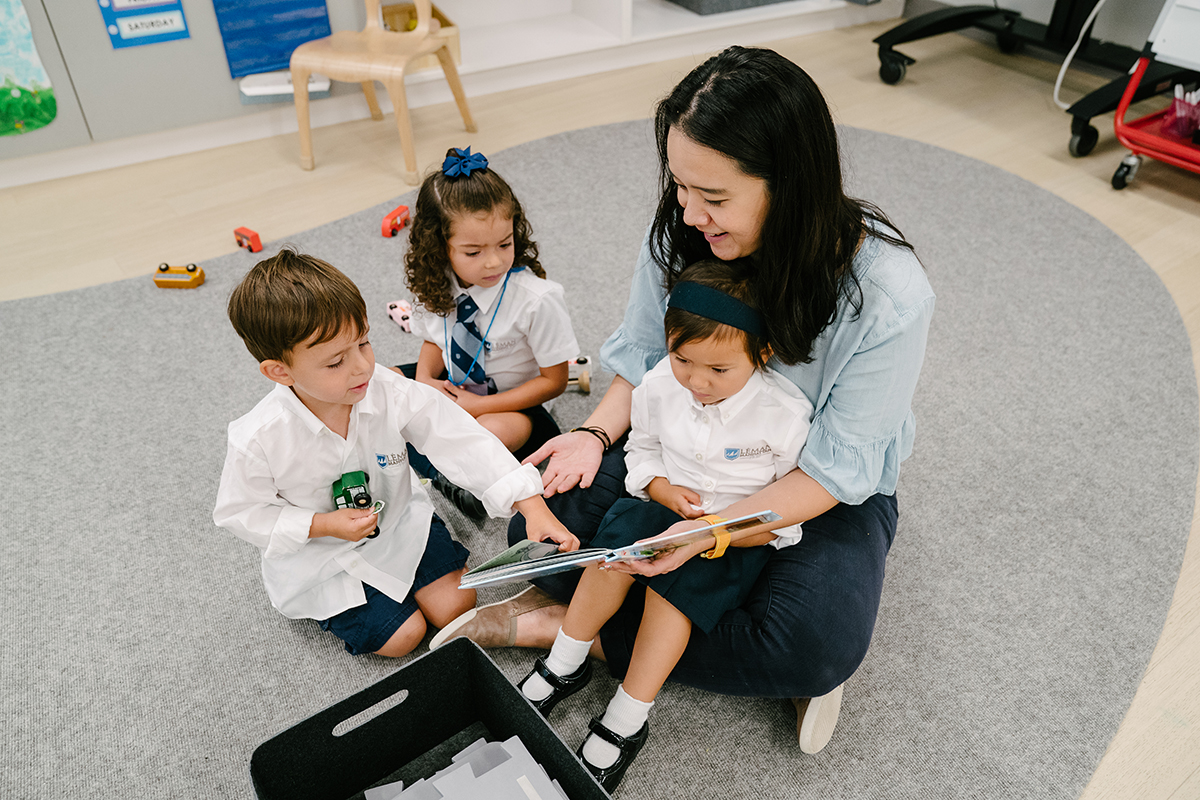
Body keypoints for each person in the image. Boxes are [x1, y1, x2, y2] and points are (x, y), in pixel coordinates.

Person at [433, 45, 935, 758]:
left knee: (813, 647)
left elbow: (833, 474)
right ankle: (624, 618)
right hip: (680, 447)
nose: (691, 212)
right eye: (680, 186)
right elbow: (645, 360)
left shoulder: (888, 295)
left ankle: (566, 631)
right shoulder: (685, 229)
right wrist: (596, 437)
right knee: (543, 538)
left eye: (717, 197)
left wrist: (707, 532)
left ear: (790, 186)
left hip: (806, 485)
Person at [525, 259, 814, 790]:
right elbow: (643, 448)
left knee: (672, 598)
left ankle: (628, 716)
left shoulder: (785, 415)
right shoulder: (660, 384)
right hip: (661, 508)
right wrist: (661, 490)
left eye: (719, 371)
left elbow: (785, 510)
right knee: (608, 559)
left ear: (762, 353)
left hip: (734, 534)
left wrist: (720, 532)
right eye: (683, 359)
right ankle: (565, 659)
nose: (697, 382)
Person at [213, 248, 577, 659]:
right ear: (279, 371)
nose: (362, 368)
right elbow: (240, 512)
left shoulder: (385, 387)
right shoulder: (258, 437)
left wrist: (531, 505)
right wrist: (320, 524)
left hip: (400, 523)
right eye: (336, 362)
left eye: (364, 343)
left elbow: (456, 436)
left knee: (456, 606)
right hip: (322, 555)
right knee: (402, 637)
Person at [395, 147, 580, 525]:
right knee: (383, 384)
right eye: (473, 251)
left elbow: (554, 381)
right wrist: (425, 380)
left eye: (504, 244)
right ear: (439, 249)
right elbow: (434, 339)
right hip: (454, 384)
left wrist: (476, 407)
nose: (493, 261)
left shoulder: (537, 301)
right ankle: (450, 464)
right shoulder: (436, 283)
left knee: (487, 433)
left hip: (510, 405)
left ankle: (457, 477)